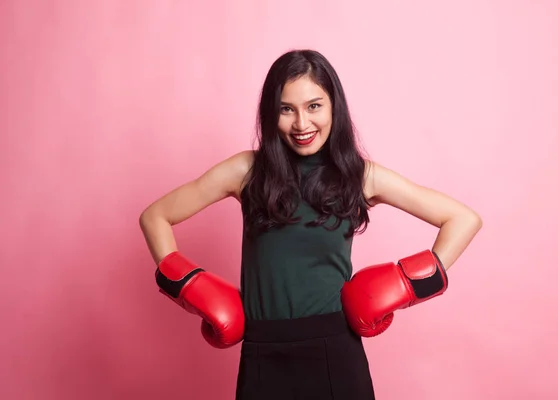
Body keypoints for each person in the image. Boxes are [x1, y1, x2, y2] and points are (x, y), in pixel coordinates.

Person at [139, 49, 483, 399]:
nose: (302, 124)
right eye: (287, 109)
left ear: (334, 106)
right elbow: (155, 217)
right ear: (272, 114)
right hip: (263, 354)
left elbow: (462, 219)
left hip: (336, 353)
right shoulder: (246, 171)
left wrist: (405, 285)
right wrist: (189, 288)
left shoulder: (360, 176)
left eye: (314, 106)